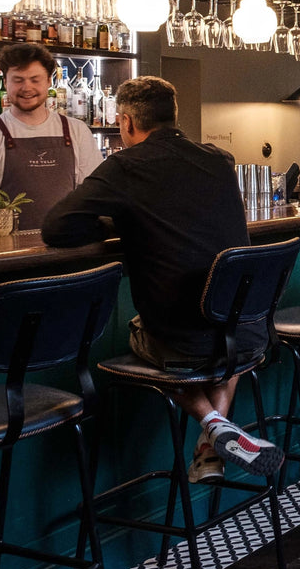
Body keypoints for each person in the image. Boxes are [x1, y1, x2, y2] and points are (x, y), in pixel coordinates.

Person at [40, 76, 282, 482]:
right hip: (251, 334)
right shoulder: (219, 159)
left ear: (127, 122)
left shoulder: (125, 167)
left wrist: (116, 222)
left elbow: (55, 227)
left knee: (155, 335)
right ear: (174, 117)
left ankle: (213, 425)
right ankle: (210, 446)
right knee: (229, 331)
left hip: (179, 344)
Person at [0, 43, 102, 231]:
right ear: (5, 80)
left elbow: (95, 197)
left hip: (70, 249)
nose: (27, 88)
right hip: (11, 254)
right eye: (18, 80)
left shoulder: (77, 131)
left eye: (35, 80)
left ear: (49, 81)